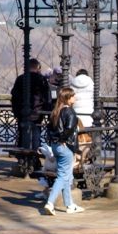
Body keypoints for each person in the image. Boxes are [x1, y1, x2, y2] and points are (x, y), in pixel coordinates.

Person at [42, 87, 84, 215]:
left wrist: (55, 141)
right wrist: (62, 139)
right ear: (68, 98)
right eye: (73, 96)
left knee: (66, 176)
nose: (75, 97)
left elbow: (49, 129)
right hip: (65, 147)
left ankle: (70, 205)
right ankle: (50, 203)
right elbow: (70, 128)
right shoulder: (69, 112)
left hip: (56, 146)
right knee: (62, 177)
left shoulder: (56, 111)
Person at [9, 58, 51, 153]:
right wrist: (47, 111)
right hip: (38, 112)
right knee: (36, 134)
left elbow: (14, 96)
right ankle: (35, 155)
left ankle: (23, 156)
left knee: (22, 135)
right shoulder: (41, 79)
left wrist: (16, 111)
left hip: (22, 112)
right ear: (38, 67)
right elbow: (47, 96)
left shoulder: (21, 78)